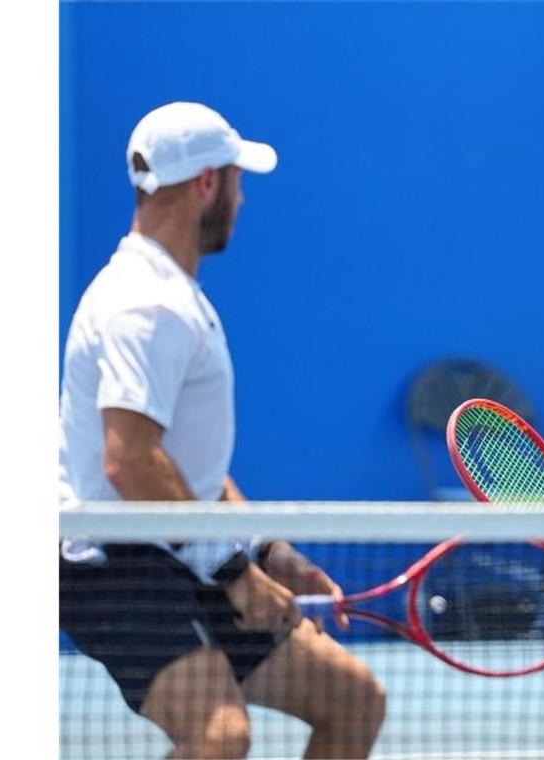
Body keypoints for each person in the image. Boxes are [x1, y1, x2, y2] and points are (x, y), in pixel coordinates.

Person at [59, 102, 385, 759]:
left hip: (181, 548)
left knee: (353, 700)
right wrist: (233, 569)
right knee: (219, 738)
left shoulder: (175, 296)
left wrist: (267, 551)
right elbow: (132, 463)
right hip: (113, 561)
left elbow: (188, 467)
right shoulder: (143, 305)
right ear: (208, 183)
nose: (241, 199)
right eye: (237, 181)